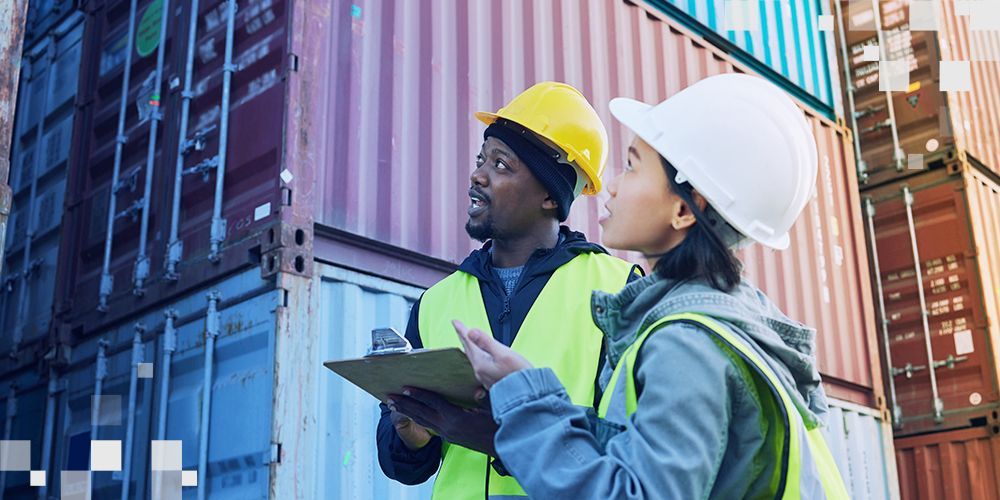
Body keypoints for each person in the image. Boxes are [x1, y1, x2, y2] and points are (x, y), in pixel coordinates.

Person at [452, 74, 851, 499]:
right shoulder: (728, 328)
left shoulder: (688, 344)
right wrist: (533, 399)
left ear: (684, 209)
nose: (612, 185)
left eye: (632, 165)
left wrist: (526, 404)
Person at [377, 82, 643, 499]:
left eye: (501, 164)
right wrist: (412, 434)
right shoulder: (436, 301)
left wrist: (509, 436)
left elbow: (636, 446)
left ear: (550, 196)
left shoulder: (617, 289)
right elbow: (406, 468)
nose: (477, 175)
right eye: (481, 159)